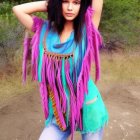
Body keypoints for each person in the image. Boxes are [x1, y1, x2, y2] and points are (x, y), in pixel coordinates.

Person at [12, 0, 109, 140]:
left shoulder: (87, 29)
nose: (70, 7)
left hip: (87, 108)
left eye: (76, 2)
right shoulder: (44, 30)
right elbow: (18, 9)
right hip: (59, 110)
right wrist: (51, 4)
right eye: (65, 2)